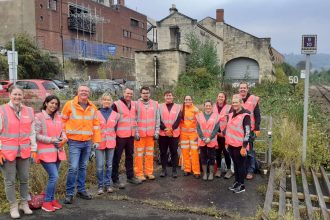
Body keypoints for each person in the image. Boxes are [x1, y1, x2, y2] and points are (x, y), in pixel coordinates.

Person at [0, 86, 35, 219]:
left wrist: (34, 149)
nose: (17, 97)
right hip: (7, 153)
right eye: (15, 94)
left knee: (25, 179)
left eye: (19, 94)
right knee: (9, 181)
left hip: (24, 151)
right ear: (10, 95)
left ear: (23, 96)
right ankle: (13, 206)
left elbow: (32, 132)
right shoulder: (2, 110)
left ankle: (24, 203)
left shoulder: (29, 111)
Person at [62, 85, 101, 204]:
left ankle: (81, 190)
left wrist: (96, 141)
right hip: (74, 141)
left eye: (86, 91)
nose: (84, 92)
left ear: (89, 93)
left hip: (88, 142)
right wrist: (64, 136)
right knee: (73, 168)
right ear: (77, 92)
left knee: (83, 167)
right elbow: (62, 121)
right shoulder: (69, 104)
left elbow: (96, 125)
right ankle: (69, 194)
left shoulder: (93, 107)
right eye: (82, 90)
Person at [35, 95, 67, 212]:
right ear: (46, 103)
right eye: (51, 103)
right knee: (54, 176)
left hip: (58, 151)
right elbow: (36, 135)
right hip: (45, 152)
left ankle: (52, 199)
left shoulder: (58, 117)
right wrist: (52, 140)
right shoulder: (38, 117)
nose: (53, 105)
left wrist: (64, 138)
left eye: (56, 104)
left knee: (53, 177)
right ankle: (47, 202)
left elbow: (63, 131)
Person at [111, 87, 142, 189]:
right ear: (123, 93)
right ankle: (115, 179)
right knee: (117, 158)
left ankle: (130, 176)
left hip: (130, 135)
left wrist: (136, 132)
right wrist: (113, 136)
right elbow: (112, 122)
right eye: (127, 93)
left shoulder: (134, 104)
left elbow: (134, 120)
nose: (129, 95)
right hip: (119, 136)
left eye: (131, 94)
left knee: (130, 156)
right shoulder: (116, 104)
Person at [95, 93, 120, 195]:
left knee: (109, 165)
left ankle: (108, 184)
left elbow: (116, 129)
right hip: (99, 143)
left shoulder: (116, 115)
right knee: (100, 165)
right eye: (104, 99)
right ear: (101, 101)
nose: (107, 101)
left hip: (111, 142)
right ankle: (100, 186)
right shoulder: (96, 113)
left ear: (111, 101)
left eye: (109, 100)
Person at [226, 94, 251, 193]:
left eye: (236, 102)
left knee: (241, 166)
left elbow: (247, 132)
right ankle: (237, 182)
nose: (234, 104)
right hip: (231, 145)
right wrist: (227, 143)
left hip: (240, 146)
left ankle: (242, 185)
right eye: (233, 103)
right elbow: (229, 130)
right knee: (235, 165)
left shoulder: (245, 115)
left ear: (241, 103)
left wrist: (244, 147)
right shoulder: (231, 113)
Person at [134, 86, 160, 181]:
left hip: (151, 135)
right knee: (139, 155)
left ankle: (149, 172)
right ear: (141, 94)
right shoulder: (136, 104)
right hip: (139, 135)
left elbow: (157, 119)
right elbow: (134, 119)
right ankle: (139, 173)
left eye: (147, 93)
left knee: (149, 154)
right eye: (144, 93)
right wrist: (135, 132)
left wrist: (157, 132)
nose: (146, 94)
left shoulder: (155, 104)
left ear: (150, 93)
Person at [238, 82, 261, 180]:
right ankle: (243, 169)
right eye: (241, 88)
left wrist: (257, 128)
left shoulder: (253, 99)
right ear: (239, 89)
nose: (242, 89)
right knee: (242, 150)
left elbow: (257, 115)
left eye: (244, 88)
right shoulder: (237, 99)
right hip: (239, 130)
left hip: (250, 130)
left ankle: (250, 170)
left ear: (247, 89)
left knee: (250, 151)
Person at [159, 91, 182, 178]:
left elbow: (179, 119)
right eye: (167, 96)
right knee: (163, 152)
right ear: (164, 97)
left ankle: (174, 170)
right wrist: (165, 128)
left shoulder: (178, 107)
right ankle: (163, 169)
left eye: (170, 95)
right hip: (163, 133)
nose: (168, 97)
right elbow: (158, 119)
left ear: (173, 97)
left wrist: (171, 129)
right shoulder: (159, 106)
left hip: (174, 133)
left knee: (174, 152)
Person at [196, 100, 220, 181]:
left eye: (209, 105)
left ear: (212, 106)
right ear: (204, 106)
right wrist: (203, 138)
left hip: (211, 140)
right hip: (202, 141)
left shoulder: (216, 116)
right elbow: (198, 128)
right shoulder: (199, 115)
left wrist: (210, 138)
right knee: (203, 157)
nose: (208, 107)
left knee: (212, 157)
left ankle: (211, 174)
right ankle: (205, 173)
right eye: (206, 105)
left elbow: (216, 129)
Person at [213, 92, 233, 179]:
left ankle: (229, 170)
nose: (220, 98)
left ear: (225, 98)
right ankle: (219, 169)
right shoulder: (213, 106)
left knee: (226, 152)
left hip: (225, 134)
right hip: (215, 134)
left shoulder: (229, 107)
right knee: (217, 151)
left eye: (222, 97)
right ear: (217, 98)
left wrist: (223, 132)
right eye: (219, 96)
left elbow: (231, 121)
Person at [180, 95, 200, 178]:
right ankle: (187, 169)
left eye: (189, 99)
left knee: (194, 153)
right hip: (183, 135)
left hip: (193, 135)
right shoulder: (181, 109)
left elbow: (200, 123)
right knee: (185, 152)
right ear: (184, 101)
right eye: (186, 99)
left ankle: (196, 171)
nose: (187, 100)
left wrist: (198, 135)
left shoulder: (196, 110)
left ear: (192, 101)